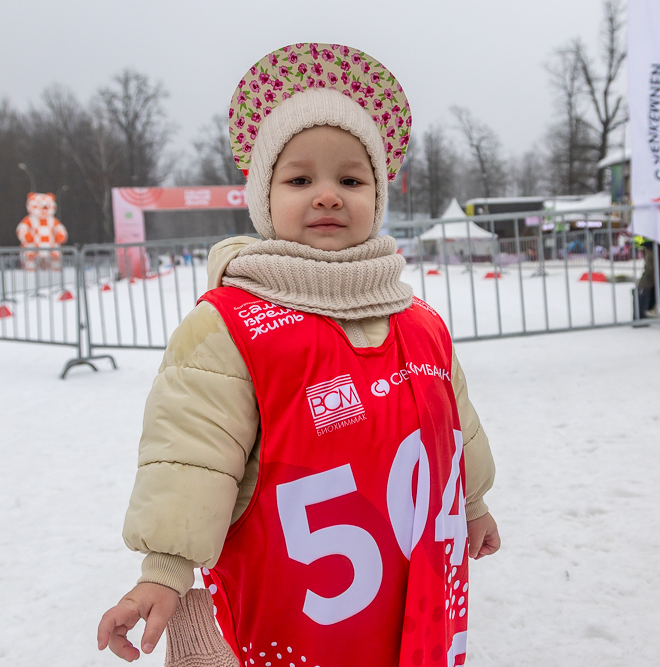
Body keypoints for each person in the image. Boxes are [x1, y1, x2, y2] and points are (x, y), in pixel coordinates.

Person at [97, 44, 498, 667]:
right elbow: (192, 455)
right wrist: (165, 570)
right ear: (264, 197)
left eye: (351, 179)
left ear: (378, 195)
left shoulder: (420, 325)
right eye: (301, 179)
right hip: (297, 616)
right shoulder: (229, 327)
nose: (328, 195)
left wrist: (472, 503)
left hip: (411, 604)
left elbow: (453, 428)